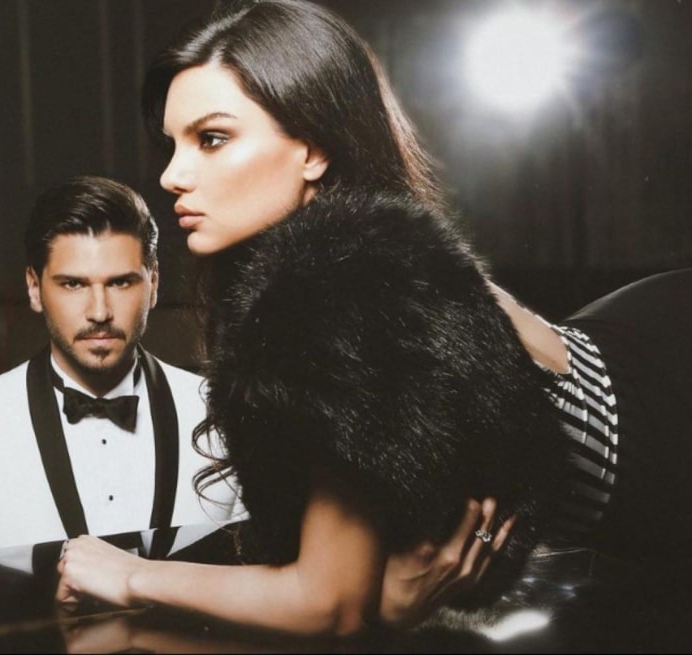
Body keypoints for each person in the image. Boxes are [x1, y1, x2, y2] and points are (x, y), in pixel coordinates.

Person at [56, 0, 692, 636]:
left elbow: (329, 601)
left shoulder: (341, 289)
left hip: (665, 399)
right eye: (172, 144)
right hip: (632, 345)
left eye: (212, 139)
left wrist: (128, 574)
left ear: (313, 149)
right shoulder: (347, 261)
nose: (172, 175)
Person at [0, 176, 242, 560]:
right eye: (73, 284)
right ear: (34, 287)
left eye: (120, 283)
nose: (99, 312)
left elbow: (264, 575)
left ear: (153, 283)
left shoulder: (227, 414)